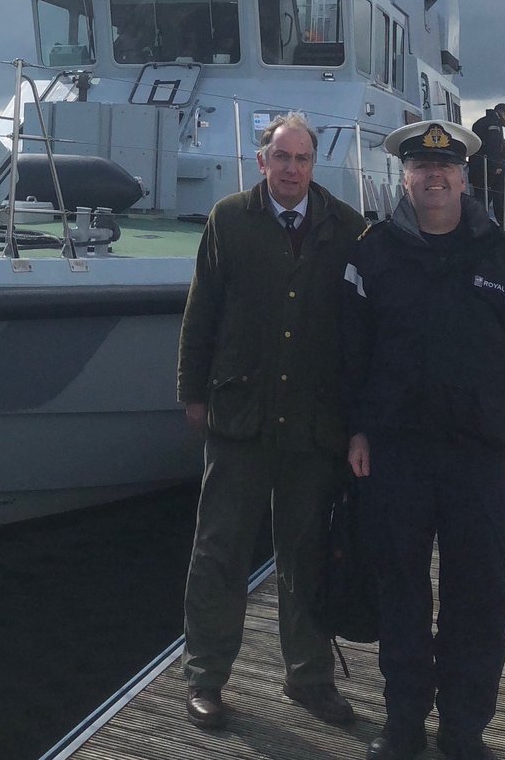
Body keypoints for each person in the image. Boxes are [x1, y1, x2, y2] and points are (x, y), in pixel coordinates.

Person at [342, 120, 505, 760]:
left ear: (463, 177)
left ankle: (464, 729)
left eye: (446, 168)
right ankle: (402, 726)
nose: (435, 177)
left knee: (479, 598)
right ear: (404, 177)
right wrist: (356, 428)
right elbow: (349, 353)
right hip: (397, 452)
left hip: (480, 456)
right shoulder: (371, 253)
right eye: (421, 168)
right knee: (400, 592)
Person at [177, 112, 366, 731]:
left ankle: (308, 677)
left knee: (307, 554)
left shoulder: (347, 229)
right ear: (262, 162)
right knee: (219, 552)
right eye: (281, 158)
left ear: (316, 164)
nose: (291, 169)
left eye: (302, 159)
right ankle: (205, 677)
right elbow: (201, 310)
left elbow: (365, 331)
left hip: (315, 426)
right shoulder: (229, 220)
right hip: (240, 418)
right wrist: (192, 392)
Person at [468, 104, 505, 228]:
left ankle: (477, 226)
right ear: (503, 112)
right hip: (490, 170)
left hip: (478, 168)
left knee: (481, 200)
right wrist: (497, 166)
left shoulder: (480, 123)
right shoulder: (494, 123)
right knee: (500, 201)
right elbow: (494, 145)